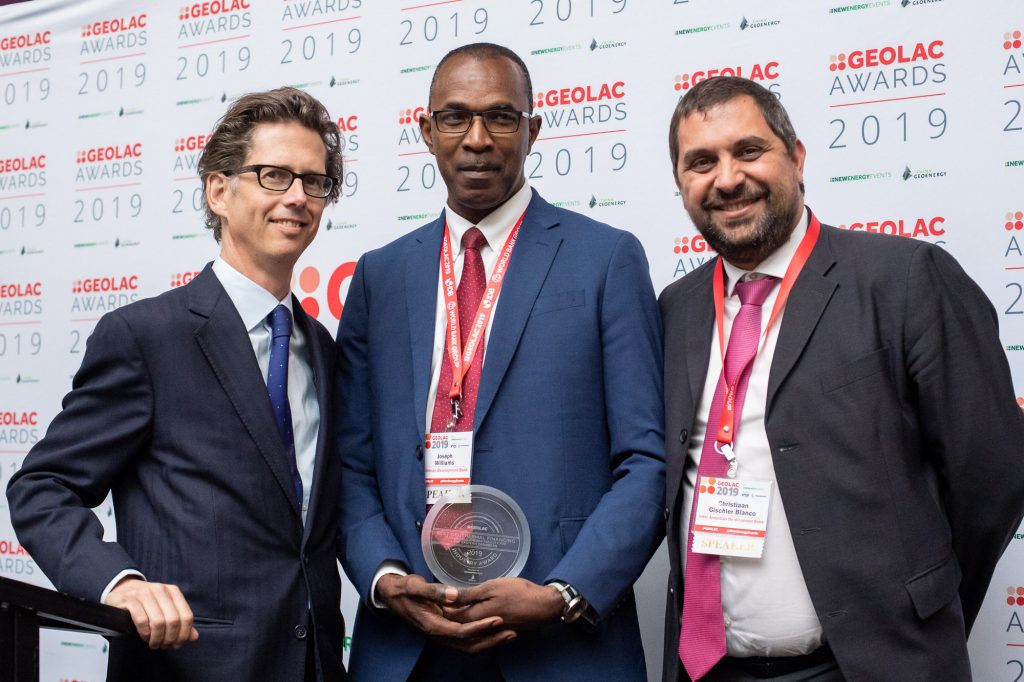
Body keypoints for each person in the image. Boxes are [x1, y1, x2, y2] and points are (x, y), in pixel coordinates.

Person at [660, 75, 1024, 681]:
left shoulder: (904, 279)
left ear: (797, 158)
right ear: (681, 184)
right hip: (708, 669)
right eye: (701, 162)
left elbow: (993, 476)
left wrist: (919, 603)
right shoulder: (675, 308)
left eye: (749, 151)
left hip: (868, 666)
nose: (726, 179)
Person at [335, 42, 665, 681]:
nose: (477, 139)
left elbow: (646, 462)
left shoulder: (606, 261)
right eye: (455, 117)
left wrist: (563, 593)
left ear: (533, 129)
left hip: (560, 645)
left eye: (501, 117)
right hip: (408, 647)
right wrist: (385, 577)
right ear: (427, 131)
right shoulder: (380, 276)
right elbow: (351, 463)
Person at [7, 87, 348, 682]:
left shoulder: (322, 348)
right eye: (274, 175)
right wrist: (119, 581)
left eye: (314, 181)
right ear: (218, 190)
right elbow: (42, 485)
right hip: (191, 666)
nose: (297, 197)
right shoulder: (146, 336)